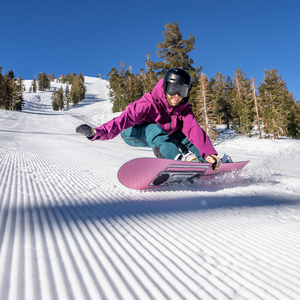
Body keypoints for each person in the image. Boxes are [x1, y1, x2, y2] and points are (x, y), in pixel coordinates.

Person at [76, 68, 222, 170]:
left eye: (181, 91)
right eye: (172, 89)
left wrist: (210, 153)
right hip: (132, 132)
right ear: (165, 88)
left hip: (162, 133)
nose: (176, 95)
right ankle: (174, 159)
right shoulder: (148, 103)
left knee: (182, 134)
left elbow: (194, 130)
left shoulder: (183, 109)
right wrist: (97, 132)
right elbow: (123, 120)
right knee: (153, 128)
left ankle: (204, 161)